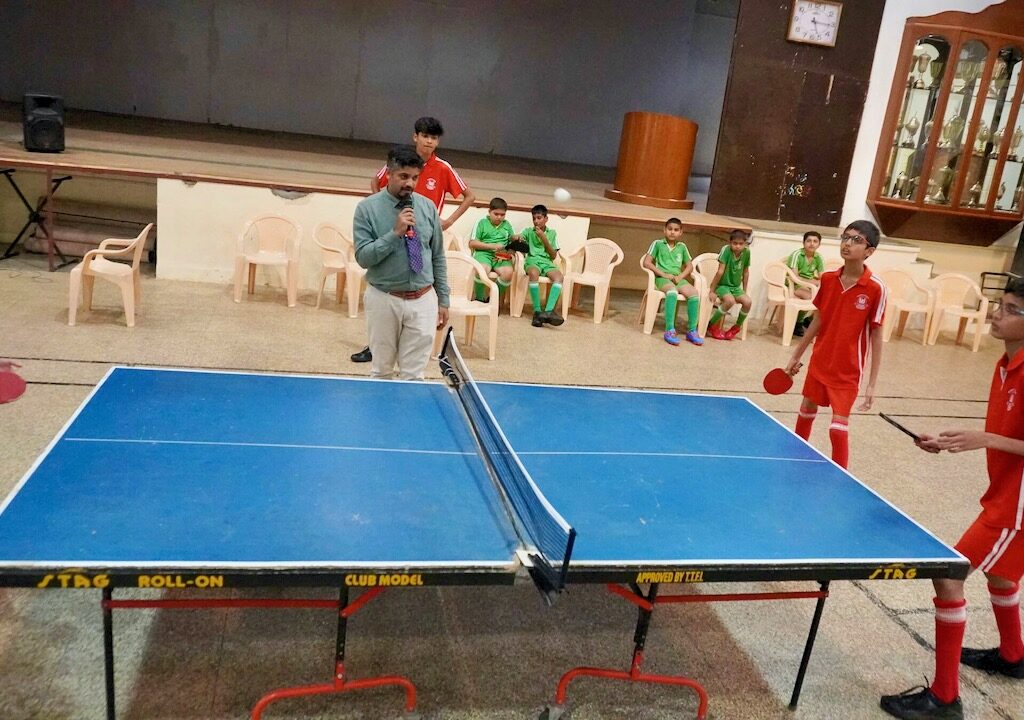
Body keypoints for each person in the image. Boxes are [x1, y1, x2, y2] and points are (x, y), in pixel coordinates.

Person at [880, 279, 1024, 720]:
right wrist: (947, 441)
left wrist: (984, 439)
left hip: (1016, 507)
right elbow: (1006, 431)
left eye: (1011, 310)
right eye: (1000, 305)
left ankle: (944, 699)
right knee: (1001, 576)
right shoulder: (1006, 363)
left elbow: (997, 438)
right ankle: (1013, 656)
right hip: (1005, 494)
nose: (997, 314)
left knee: (947, 576)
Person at [352, 116, 474, 363]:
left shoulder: (442, 170)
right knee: (383, 358)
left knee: (414, 368)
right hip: (385, 288)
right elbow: (376, 181)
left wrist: (447, 221)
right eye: (425, 136)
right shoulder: (393, 168)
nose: (429, 141)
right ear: (415, 136)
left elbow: (469, 196)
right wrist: (382, 206)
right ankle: (376, 347)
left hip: (425, 239)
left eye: (434, 138)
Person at [783, 220, 886, 469]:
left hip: (848, 370)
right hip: (820, 361)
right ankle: (793, 462)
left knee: (837, 430)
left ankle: (843, 480)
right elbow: (819, 319)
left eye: (856, 240)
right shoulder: (828, 279)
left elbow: (877, 335)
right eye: (845, 237)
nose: (847, 244)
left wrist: (872, 384)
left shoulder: (876, 288)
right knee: (805, 414)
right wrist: (796, 355)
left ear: (869, 251)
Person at [353, 145, 449, 380]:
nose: (410, 183)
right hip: (384, 298)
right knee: (382, 371)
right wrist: (394, 233)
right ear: (389, 174)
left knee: (415, 376)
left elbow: (437, 255)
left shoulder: (427, 207)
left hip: (423, 300)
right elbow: (363, 258)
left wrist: (443, 299)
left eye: (415, 178)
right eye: (403, 176)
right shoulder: (367, 209)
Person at [642, 217, 703, 346]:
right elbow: (647, 262)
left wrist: (681, 276)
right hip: (662, 279)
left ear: (680, 232)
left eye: (676, 230)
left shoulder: (682, 247)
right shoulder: (658, 244)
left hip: (677, 278)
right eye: (670, 229)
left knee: (694, 293)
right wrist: (663, 274)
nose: (672, 232)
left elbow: (690, 266)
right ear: (664, 230)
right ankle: (669, 329)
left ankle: (692, 330)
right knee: (672, 292)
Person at [520, 204, 564, 327]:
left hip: (547, 262)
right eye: (534, 218)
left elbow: (553, 255)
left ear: (546, 219)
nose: (536, 221)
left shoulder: (552, 233)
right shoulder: (528, 231)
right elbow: (519, 237)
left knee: (559, 277)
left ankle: (548, 311)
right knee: (533, 273)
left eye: (539, 218)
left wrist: (544, 238)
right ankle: (537, 311)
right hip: (532, 261)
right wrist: (517, 238)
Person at [468, 197, 517, 302]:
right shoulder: (481, 223)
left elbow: (512, 243)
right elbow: (472, 243)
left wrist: (514, 244)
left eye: (502, 215)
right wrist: (493, 246)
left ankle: (493, 299)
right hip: (483, 254)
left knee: (508, 273)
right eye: (496, 214)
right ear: (489, 211)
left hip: (501, 256)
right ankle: (479, 298)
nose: (499, 217)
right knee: (482, 270)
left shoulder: (507, 225)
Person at [706, 230, 752, 340]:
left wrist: (744, 290)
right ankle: (711, 325)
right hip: (722, 286)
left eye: (741, 244)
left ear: (745, 244)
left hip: (735, 287)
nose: (738, 246)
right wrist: (712, 290)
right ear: (730, 242)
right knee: (729, 301)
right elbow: (720, 272)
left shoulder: (747, 252)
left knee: (748, 302)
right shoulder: (726, 250)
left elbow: (746, 272)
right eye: (735, 243)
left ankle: (736, 327)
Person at [786, 230, 825, 337]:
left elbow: (822, 276)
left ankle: (809, 320)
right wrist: (814, 282)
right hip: (794, 285)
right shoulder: (797, 255)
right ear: (803, 243)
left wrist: (819, 282)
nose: (812, 244)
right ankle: (798, 323)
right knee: (810, 297)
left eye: (815, 241)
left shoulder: (819, 257)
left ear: (819, 244)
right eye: (809, 241)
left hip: (809, 286)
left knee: (826, 297)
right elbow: (794, 277)